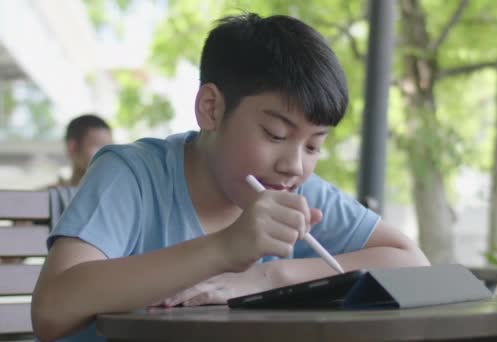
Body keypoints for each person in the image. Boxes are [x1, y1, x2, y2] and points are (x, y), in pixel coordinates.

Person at [32, 13, 430, 342]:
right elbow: (51, 311)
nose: (294, 165)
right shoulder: (132, 174)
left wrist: (269, 276)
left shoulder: (296, 193)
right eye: (276, 134)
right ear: (210, 108)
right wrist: (224, 250)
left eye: (313, 146)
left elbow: (411, 261)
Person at [58, 114, 113, 187]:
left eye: (109, 147)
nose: (107, 154)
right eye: (99, 145)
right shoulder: (50, 195)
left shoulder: (116, 193)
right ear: (73, 147)